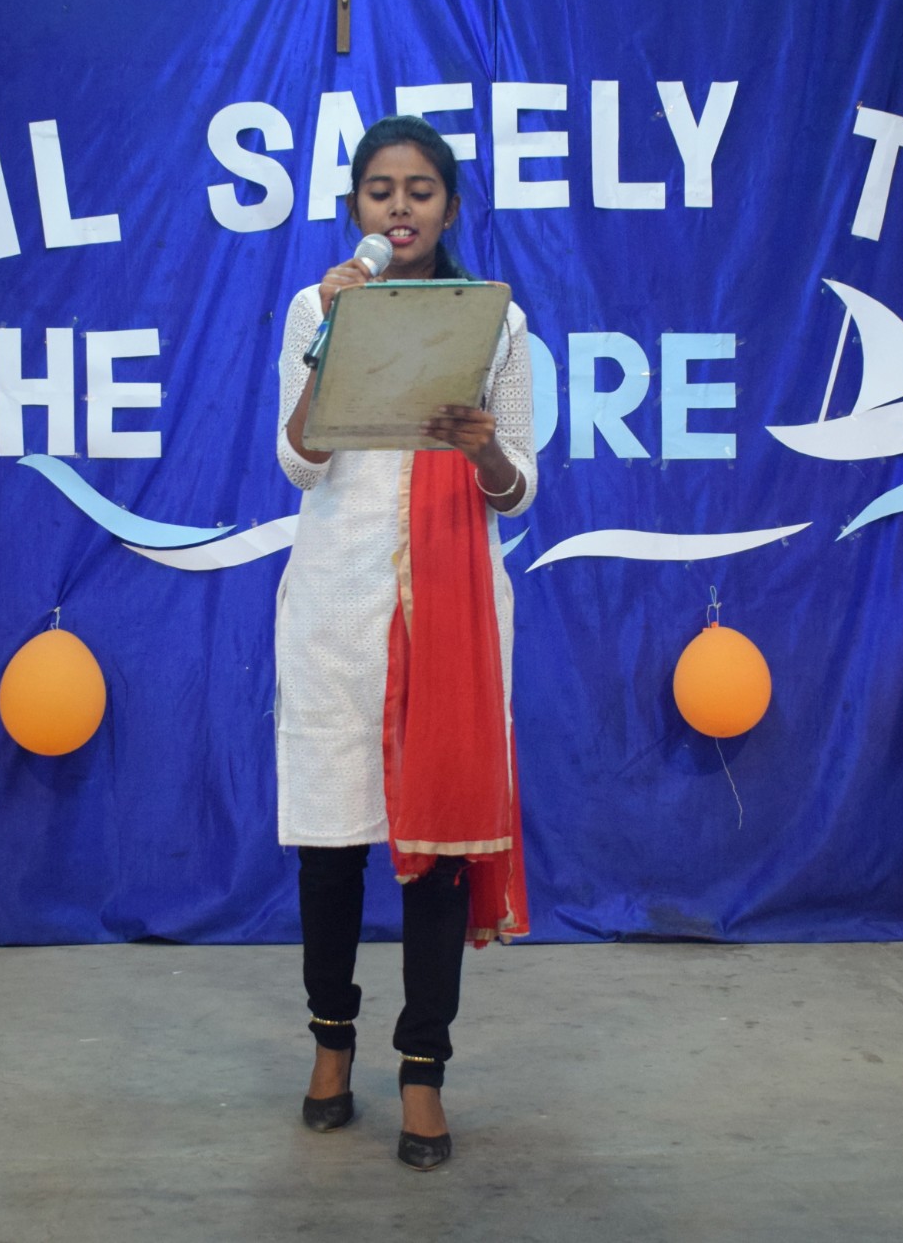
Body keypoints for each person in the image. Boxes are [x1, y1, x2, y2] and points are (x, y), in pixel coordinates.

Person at [273, 115, 535, 1171]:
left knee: (440, 850)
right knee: (332, 841)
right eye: (379, 190)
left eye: (419, 189)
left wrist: (482, 453)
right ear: (354, 207)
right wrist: (333, 336)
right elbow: (297, 462)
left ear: (450, 207)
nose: (398, 207)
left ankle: (422, 1069)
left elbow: (519, 488)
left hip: (453, 614)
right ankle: (330, 1046)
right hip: (336, 609)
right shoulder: (314, 306)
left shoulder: (496, 324)